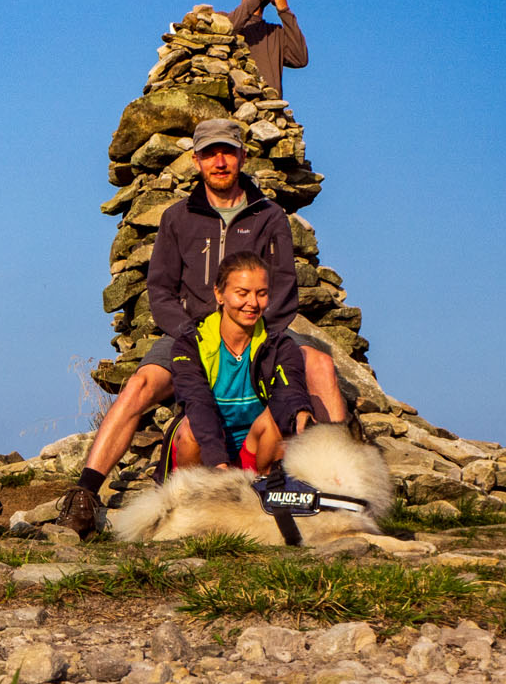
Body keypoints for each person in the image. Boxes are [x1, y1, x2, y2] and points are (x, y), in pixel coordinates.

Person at [55, 117, 344, 537]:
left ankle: (336, 481)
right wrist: (193, 337)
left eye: (228, 152)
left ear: (243, 156)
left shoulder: (269, 216)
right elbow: (161, 290)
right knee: (139, 385)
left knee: (318, 363)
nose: (220, 161)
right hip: (189, 333)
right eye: (210, 153)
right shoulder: (178, 217)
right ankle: (84, 494)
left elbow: (282, 289)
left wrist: (260, 341)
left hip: (260, 331)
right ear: (196, 161)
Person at [166, 250, 313, 471]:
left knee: (278, 422)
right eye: (242, 293)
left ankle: (267, 490)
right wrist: (219, 464)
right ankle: (191, 499)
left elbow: (290, 392)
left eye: (261, 293)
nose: (252, 303)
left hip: (254, 449)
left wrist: (302, 418)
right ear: (219, 294)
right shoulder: (190, 345)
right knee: (190, 430)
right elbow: (197, 402)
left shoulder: (280, 346)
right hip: (209, 455)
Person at [226, 0, 308, 98]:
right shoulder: (223, 19)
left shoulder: (275, 32)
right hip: (236, 107)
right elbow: (227, 30)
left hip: (267, 112)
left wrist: (285, 12)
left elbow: (300, 59)